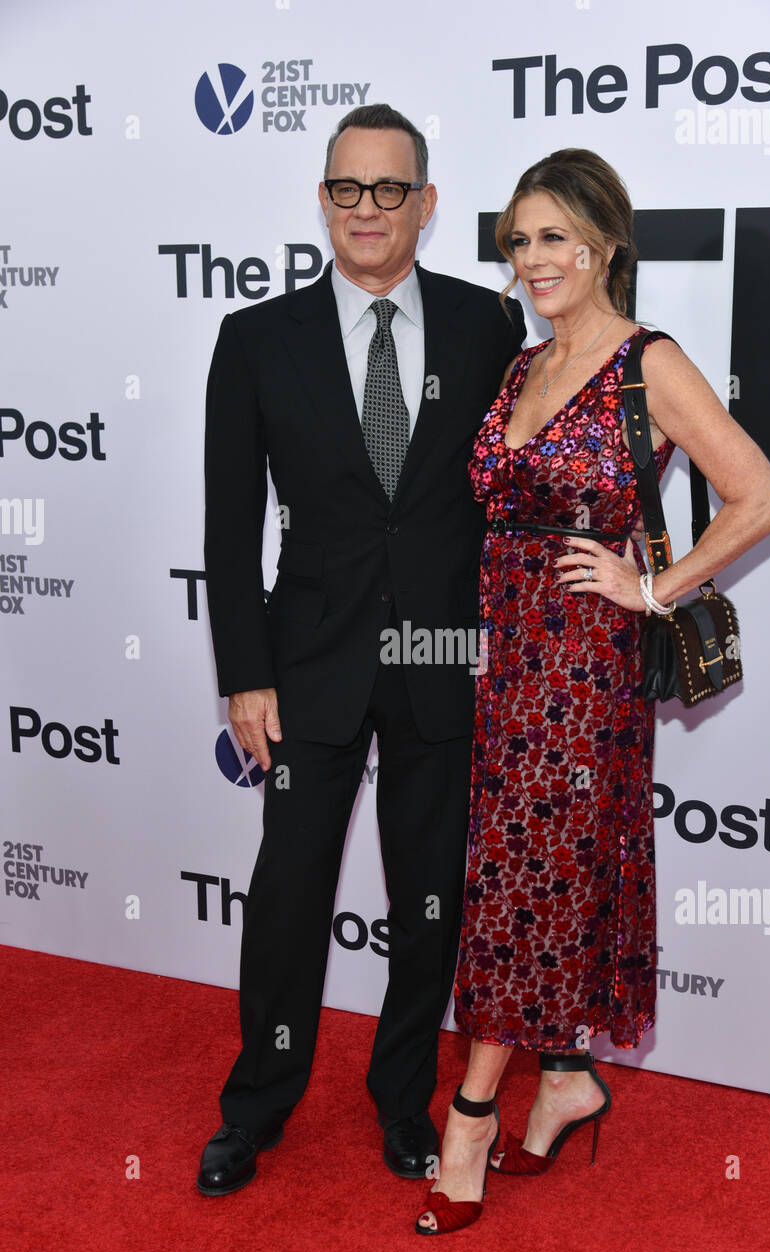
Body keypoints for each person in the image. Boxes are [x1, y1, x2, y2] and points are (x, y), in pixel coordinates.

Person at [415, 148, 770, 1234]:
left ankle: (475, 1112)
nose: (533, 259)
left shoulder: (647, 361)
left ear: (606, 242)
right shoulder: (518, 366)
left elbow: (759, 494)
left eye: (553, 238)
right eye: (518, 241)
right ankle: (569, 1079)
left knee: (526, 878)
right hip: (502, 658)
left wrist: (652, 586)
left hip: (583, 668)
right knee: (521, 874)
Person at [197, 104, 525, 1196]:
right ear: (323, 199)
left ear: (427, 205)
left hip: (441, 656)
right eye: (348, 188)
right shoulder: (257, 339)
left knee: (428, 893)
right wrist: (243, 670)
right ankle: (259, 1103)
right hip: (307, 664)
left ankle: (404, 1105)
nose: (368, 209)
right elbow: (228, 517)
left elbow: (512, 496)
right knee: (289, 887)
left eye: (391, 189)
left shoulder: (489, 330)